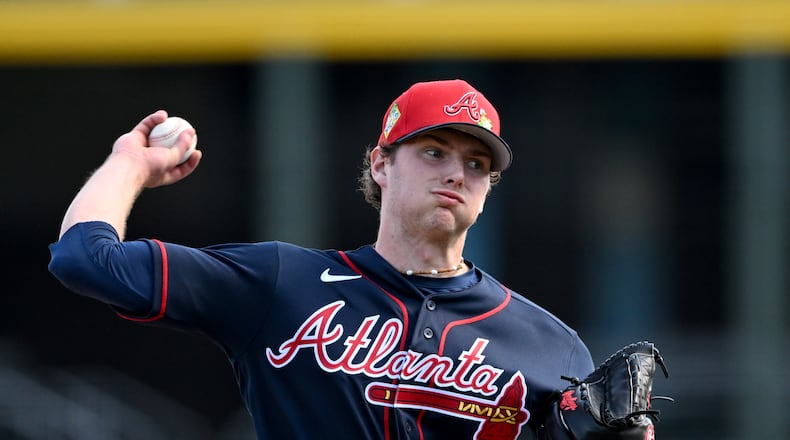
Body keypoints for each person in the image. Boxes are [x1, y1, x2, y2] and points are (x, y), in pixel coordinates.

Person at [49, 79, 595, 439]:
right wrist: (129, 165)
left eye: (477, 163)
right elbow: (84, 259)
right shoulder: (284, 285)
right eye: (434, 152)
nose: (457, 173)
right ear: (382, 165)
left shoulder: (551, 346)